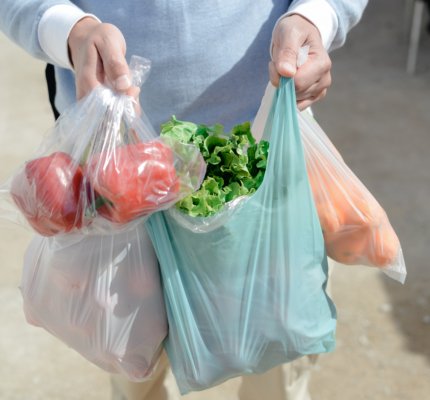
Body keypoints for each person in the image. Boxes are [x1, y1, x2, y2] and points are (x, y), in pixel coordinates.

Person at [0, 1, 368, 399]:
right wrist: (70, 30)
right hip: (114, 182)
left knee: (275, 358)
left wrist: (315, 16)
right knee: (133, 363)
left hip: (260, 160)